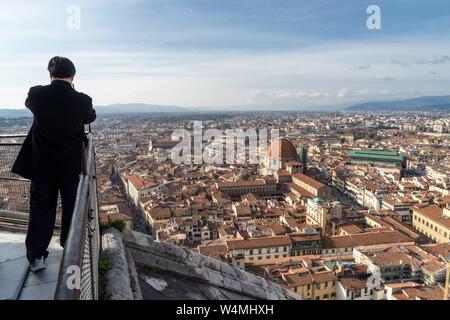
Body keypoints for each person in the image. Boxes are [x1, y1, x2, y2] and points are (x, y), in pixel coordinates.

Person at [12, 56, 96, 272]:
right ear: (73, 76)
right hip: (71, 167)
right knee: (72, 209)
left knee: (41, 210)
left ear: (50, 75)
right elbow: (90, 118)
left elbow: (30, 104)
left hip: (42, 166)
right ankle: (71, 250)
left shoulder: (37, 94)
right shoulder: (82, 100)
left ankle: (37, 256)